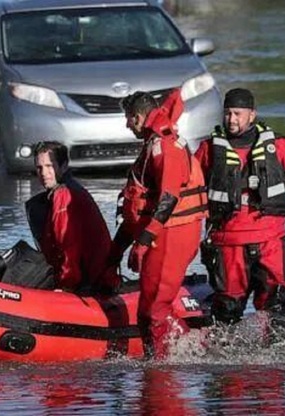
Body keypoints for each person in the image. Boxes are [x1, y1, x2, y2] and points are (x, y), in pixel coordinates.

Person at [195, 88, 285, 328]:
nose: (231, 120)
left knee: (278, 309)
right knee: (226, 315)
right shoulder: (208, 150)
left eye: (238, 114)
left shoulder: (279, 146)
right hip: (228, 244)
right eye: (228, 113)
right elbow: (186, 188)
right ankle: (226, 361)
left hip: (270, 241)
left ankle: (280, 359)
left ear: (252, 115)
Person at [110, 89, 207, 359]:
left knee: (154, 310)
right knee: (149, 309)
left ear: (139, 117)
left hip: (171, 233)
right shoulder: (155, 143)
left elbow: (169, 197)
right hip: (165, 233)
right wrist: (118, 248)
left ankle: (163, 369)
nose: (127, 124)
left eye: (128, 118)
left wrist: (144, 240)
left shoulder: (163, 145)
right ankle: (174, 354)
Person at [25, 141, 119, 293]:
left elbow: (68, 245)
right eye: (39, 168)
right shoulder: (67, 191)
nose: (44, 173)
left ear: (63, 166)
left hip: (91, 284)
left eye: (50, 166)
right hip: (94, 277)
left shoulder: (64, 195)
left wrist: (66, 286)